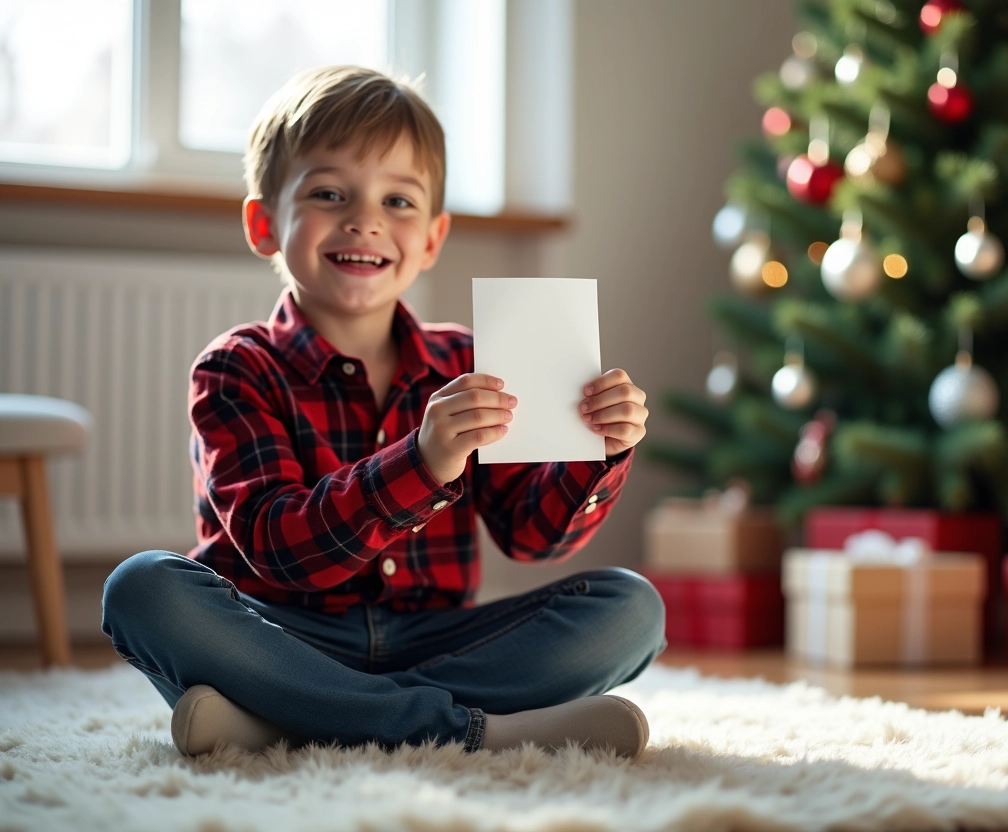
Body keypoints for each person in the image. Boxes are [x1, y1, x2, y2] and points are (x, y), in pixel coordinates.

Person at [101, 65, 664, 759]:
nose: (365, 219)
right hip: (283, 630)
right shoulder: (236, 366)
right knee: (142, 589)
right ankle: (458, 729)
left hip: (436, 636)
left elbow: (532, 538)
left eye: (399, 201)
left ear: (432, 238)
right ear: (263, 224)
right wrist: (422, 464)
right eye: (329, 193)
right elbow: (280, 548)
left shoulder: (470, 361)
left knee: (631, 609)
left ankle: (293, 717)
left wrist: (600, 451)